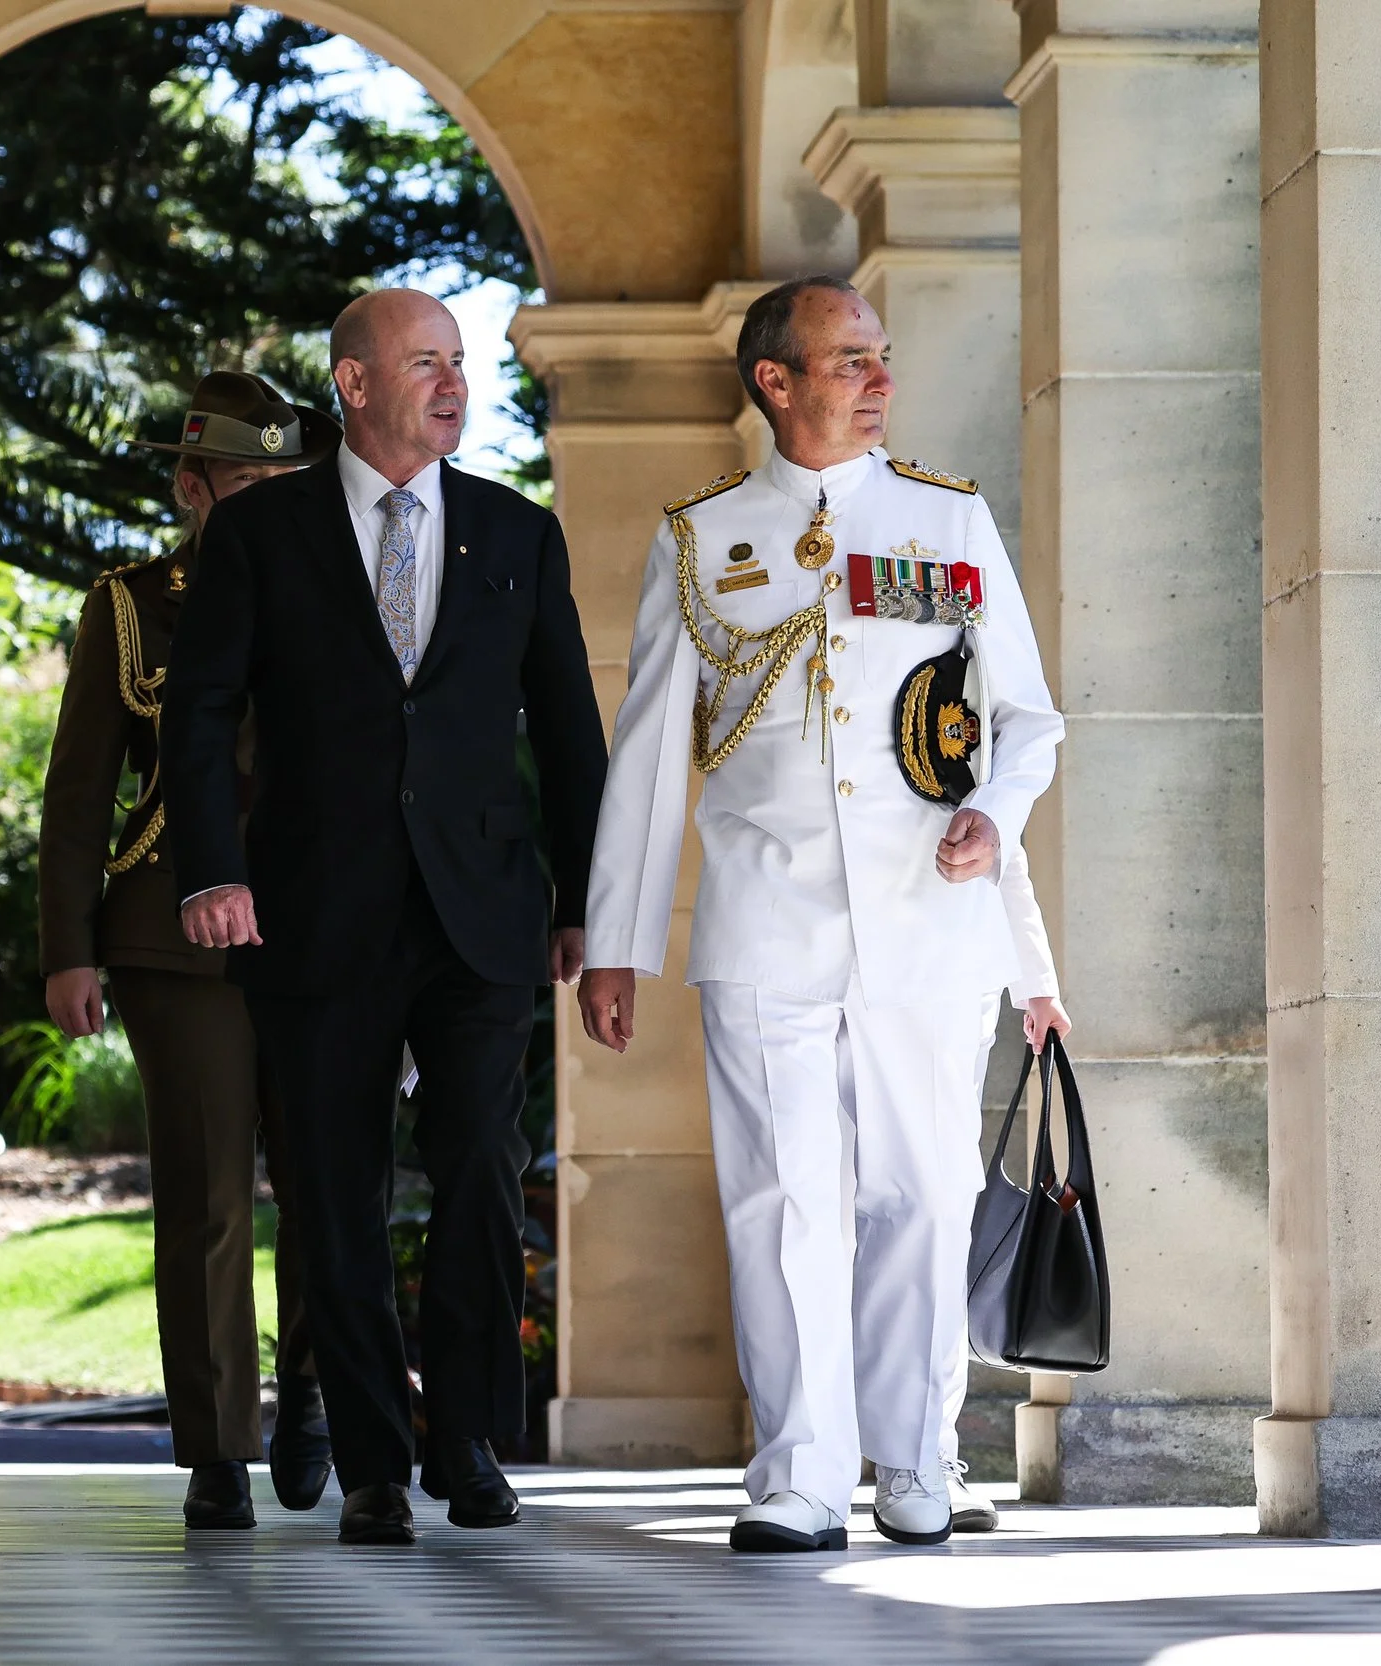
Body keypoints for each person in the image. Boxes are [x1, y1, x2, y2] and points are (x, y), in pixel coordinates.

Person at [578, 274, 1063, 1553]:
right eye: (849, 361)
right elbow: (644, 763)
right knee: (782, 1199)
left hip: (925, 917)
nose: (880, 382)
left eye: (881, 358)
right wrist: (618, 943)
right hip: (764, 924)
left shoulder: (945, 522)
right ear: (774, 382)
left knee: (922, 1190)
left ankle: (917, 1459)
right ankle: (798, 1469)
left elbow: (1027, 718)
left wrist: (994, 813)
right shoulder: (702, 538)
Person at [160, 288, 607, 1547]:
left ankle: (466, 1437)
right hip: (309, 910)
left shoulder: (518, 534)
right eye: (426, 363)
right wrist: (210, 872)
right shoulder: (262, 535)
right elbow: (195, 715)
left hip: (480, 917)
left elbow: (571, 734)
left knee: (478, 1167)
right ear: (353, 386)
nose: (455, 383)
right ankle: (368, 1461)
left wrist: (585, 906)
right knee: (332, 1191)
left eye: (459, 363)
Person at [37, 371, 341, 1530]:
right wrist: (68, 948)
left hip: (318, 928)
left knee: (326, 1180)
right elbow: (78, 795)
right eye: (243, 482)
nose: (265, 499)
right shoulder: (130, 603)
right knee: (207, 1197)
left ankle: (313, 1397)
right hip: (171, 933)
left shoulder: (343, 588)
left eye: (282, 479)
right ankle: (218, 1447)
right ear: (190, 484)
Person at [939, 845, 1069, 1534]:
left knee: (935, 1224)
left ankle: (930, 1456)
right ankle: (809, 1465)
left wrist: (1035, 982)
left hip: (943, 969)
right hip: (803, 962)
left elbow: (1002, 818)